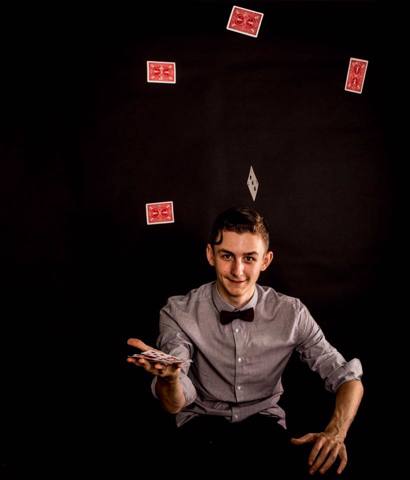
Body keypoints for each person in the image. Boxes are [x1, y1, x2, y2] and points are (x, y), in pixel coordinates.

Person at [127, 206, 363, 478]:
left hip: (264, 426)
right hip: (200, 426)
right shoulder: (178, 312)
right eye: (227, 256)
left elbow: (348, 378)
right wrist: (169, 380)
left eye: (249, 258)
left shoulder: (292, 313)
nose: (237, 270)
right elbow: (174, 404)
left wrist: (336, 432)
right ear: (210, 255)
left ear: (265, 260)